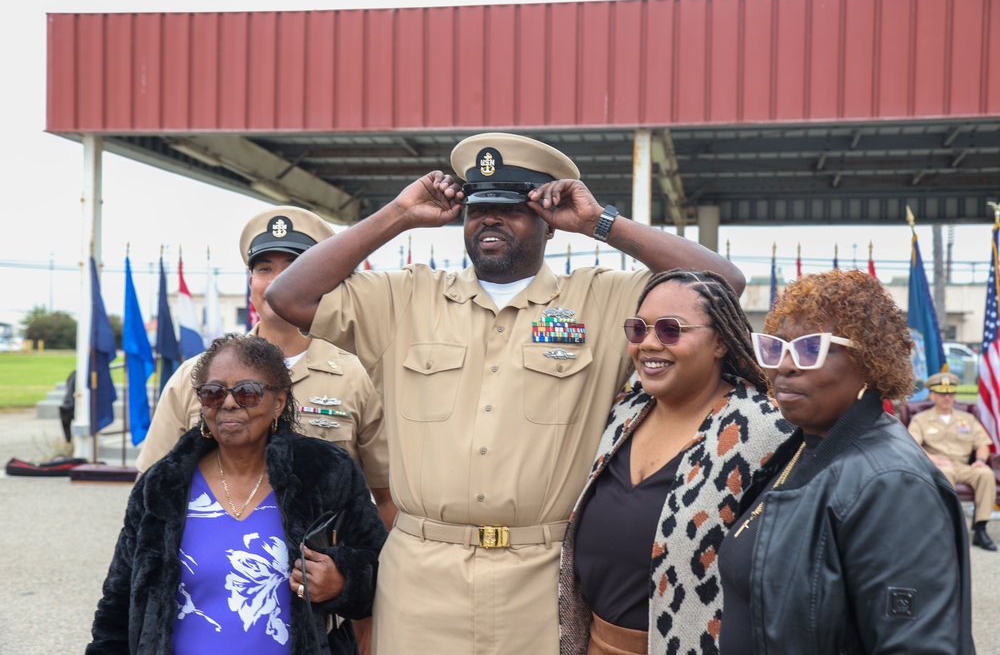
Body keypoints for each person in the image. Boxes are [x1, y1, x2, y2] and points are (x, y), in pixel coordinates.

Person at [265, 132, 746, 653]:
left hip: (540, 580)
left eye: (513, 208)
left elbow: (722, 284)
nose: (489, 220)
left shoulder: (600, 298)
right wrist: (399, 214)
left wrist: (600, 224)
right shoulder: (407, 296)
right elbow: (289, 295)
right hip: (422, 577)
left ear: (550, 223)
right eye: (478, 209)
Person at [718, 269, 974, 654]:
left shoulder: (892, 484)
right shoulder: (805, 446)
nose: (784, 366)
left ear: (869, 361)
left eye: (809, 348)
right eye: (777, 347)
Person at [88, 333, 387, 654]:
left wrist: (343, 582)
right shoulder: (162, 485)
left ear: (279, 402)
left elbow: (380, 569)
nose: (229, 402)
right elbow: (119, 602)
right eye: (213, 393)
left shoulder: (325, 473)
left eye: (248, 392)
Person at [558, 269, 792, 655]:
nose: (648, 344)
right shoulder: (620, 414)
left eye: (670, 330)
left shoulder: (764, 430)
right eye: (638, 329)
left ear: (720, 342)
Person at [135, 206, 394, 528]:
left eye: (295, 268)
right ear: (250, 281)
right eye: (264, 269)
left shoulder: (360, 378)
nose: (276, 283)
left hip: (315, 570)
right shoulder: (197, 375)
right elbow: (151, 490)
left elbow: (387, 500)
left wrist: (353, 569)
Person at [908, 371, 997, 551]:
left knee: (986, 473)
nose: (947, 397)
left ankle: (981, 529)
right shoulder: (920, 419)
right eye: (942, 393)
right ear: (932, 395)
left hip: (963, 466)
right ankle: (947, 530)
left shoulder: (968, 419)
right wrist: (935, 460)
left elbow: (983, 444)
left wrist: (980, 460)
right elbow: (912, 446)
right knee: (945, 474)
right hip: (936, 466)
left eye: (950, 393)